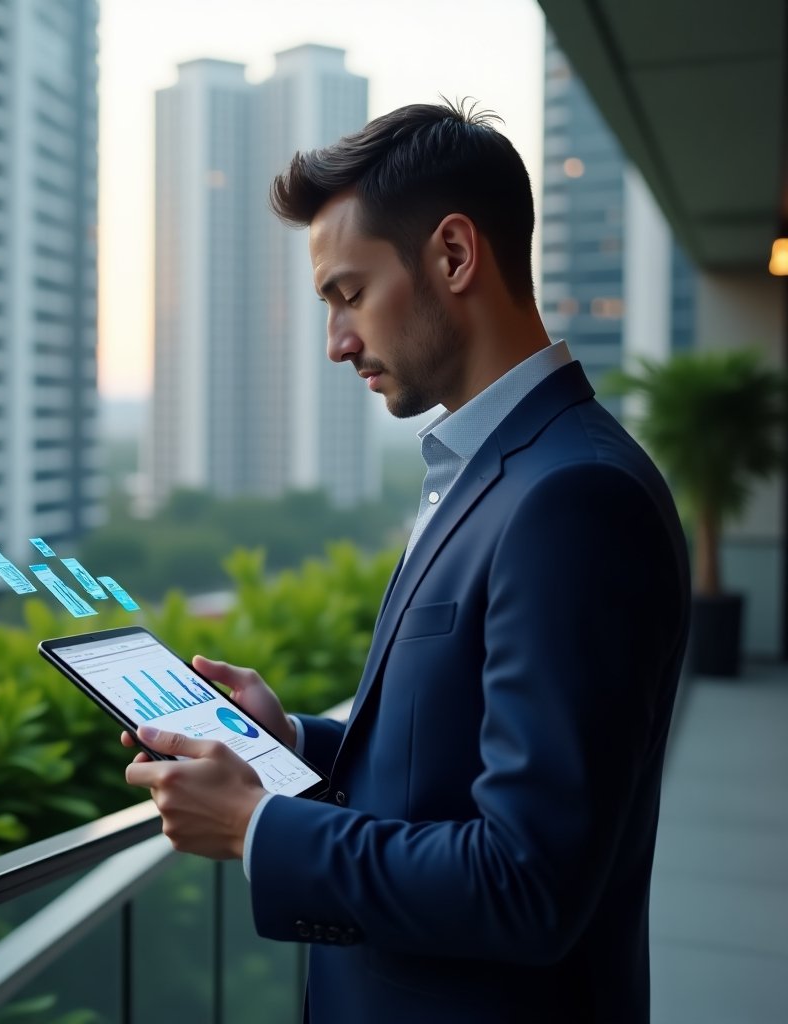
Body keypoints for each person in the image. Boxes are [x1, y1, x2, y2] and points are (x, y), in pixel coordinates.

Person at [124, 100, 690, 1023]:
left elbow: (527, 880)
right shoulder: (497, 472)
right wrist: (293, 744)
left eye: (350, 294)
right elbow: (456, 768)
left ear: (455, 256)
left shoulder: (573, 499)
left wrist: (258, 827)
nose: (338, 341)